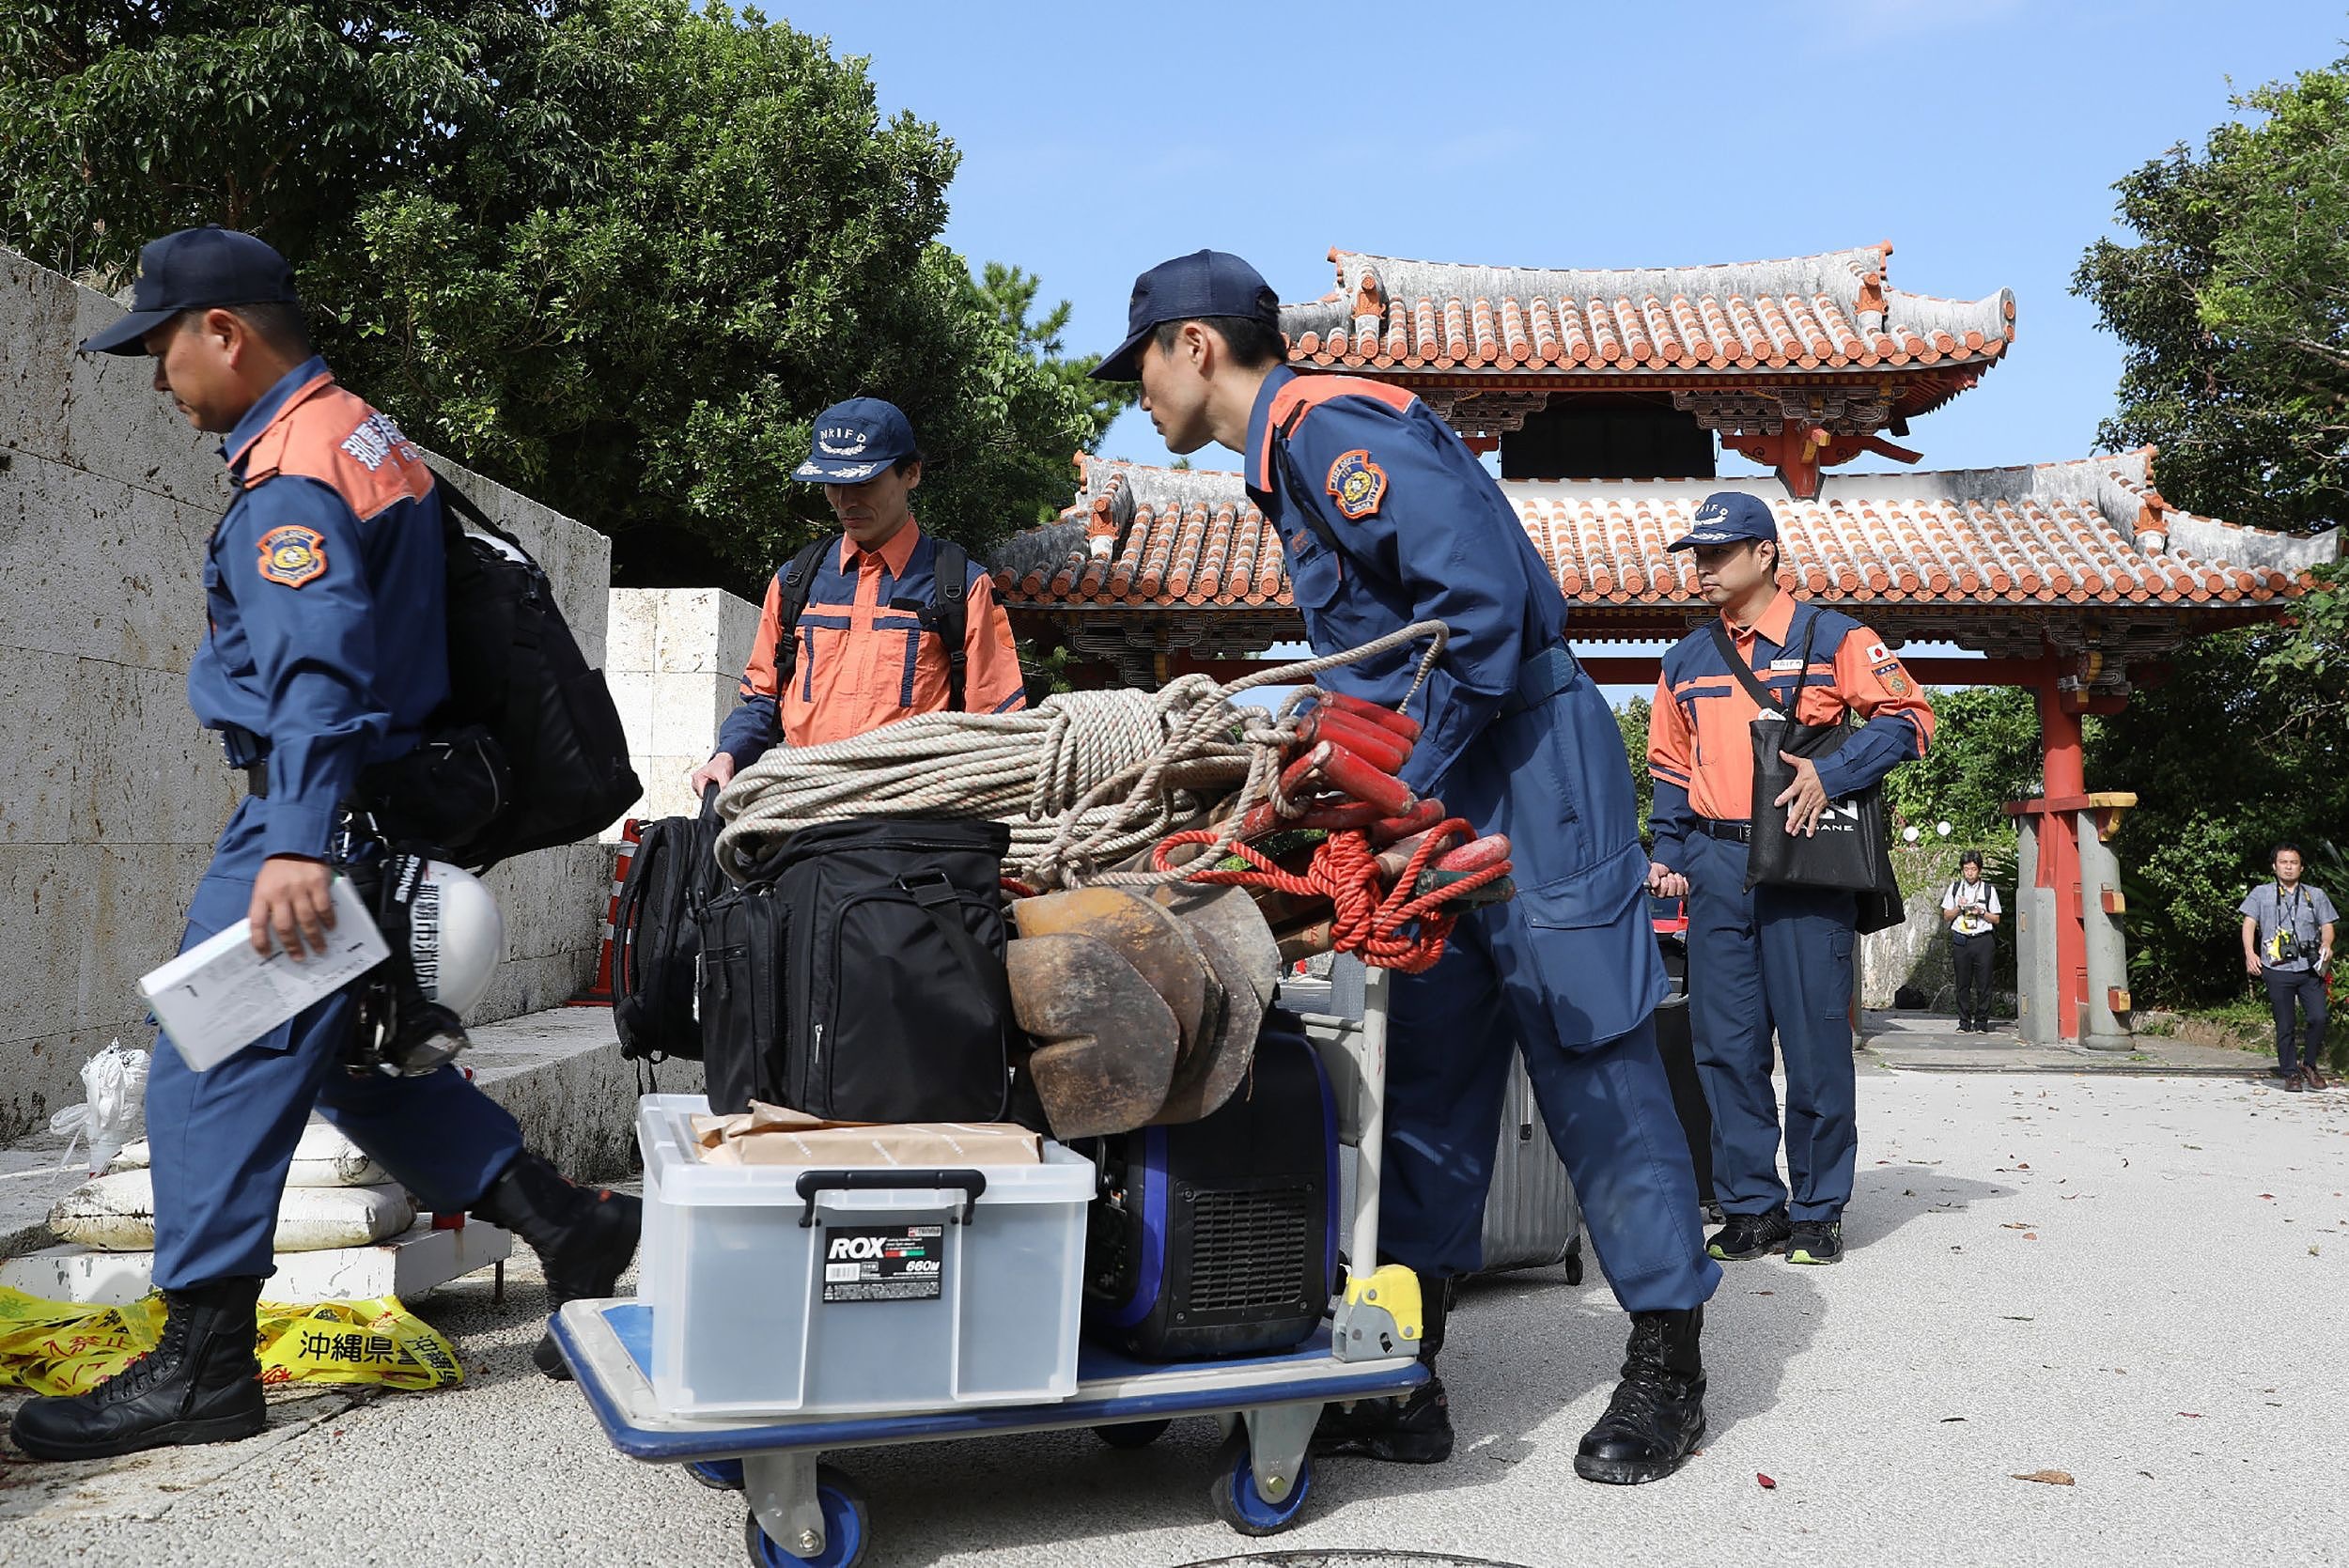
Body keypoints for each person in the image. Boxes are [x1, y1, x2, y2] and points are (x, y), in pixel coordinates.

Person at [10, 228, 638, 1462]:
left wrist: (295, 840)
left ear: (226, 333)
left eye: (162, 347)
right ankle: (569, 1224)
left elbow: (316, 663)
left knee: (208, 1059)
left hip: (311, 817)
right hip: (374, 804)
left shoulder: (293, 473)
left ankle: (201, 1366)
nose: (157, 377)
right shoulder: (364, 434)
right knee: (348, 1062)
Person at [1095, 251, 1719, 1486]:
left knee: (1587, 1045)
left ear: (1197, 348)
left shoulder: (1334, 431)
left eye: (1144, 367)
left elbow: (1480, 614)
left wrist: (1388, 785)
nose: (1142, 397)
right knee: (1423, 1068)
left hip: (1520, 761)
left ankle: (1669, 1359)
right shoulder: (1286, 464)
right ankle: (1407, 1370)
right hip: (1434, 774)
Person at [1645, 492, 1934, 1268]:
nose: (1700, 566)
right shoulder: (1685, 662)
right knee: (1724, 1045)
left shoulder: (1833, 636)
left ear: (1765, 554)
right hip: (1714, 863)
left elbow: (1910, 719)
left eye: (1717, 551)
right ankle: (1749, 1205)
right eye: (1695, 554)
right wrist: (1668, 849)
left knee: (1812, 1043)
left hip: (1806, 859)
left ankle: (1816, 1208)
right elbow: (1671, 767)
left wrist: (1831, 774)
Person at [687, 397, 1026, 797]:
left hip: (909, 821)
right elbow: (763, 699)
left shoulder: (962, 587)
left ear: (911, 473)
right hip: (801, 808)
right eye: (834, 484)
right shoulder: (796, 581)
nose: (847, 501)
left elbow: (995, 725)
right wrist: (727, 755)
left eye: (863, 482)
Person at [2240, 843, 2336, 1092]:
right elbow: (2249, 924)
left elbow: (2327, 925)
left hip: (2309, 967)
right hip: (2276, 966)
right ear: (2274, 866)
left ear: (2301, 867)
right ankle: (2290, 1072)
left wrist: (2327, 943)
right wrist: (2250, 953)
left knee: (2318, 1017)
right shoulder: (2260, 893)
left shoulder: (2314, 895)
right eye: (2283, 862)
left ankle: (2309, 1064)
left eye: (2293, 862)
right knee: (2285, 1023)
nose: (2289, 867)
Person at [1941, 850, 2002, 1032]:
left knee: (1984, 983)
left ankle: (1982, 1022)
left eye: (1973, 869)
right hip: (1961, 939)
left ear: (1979, 870)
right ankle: (1964, 1022)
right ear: (1962, 870)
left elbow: (1996, 919)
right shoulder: (1955, 888)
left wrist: (1981, 912)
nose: (1969, 873)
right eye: (1966, 869)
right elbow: (1946, 915)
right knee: (1962, 983)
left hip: (1983, 940)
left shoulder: (1988, 890)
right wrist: (1959, 908)